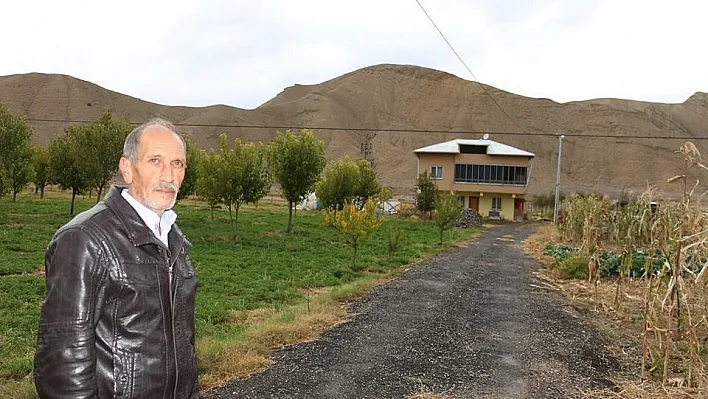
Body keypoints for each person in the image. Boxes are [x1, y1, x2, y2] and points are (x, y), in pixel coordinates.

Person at [34, 118, 199, 398]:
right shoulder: (85, 237)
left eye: (177, 164)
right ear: (127, 169)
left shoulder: (172, 237)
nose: (169, 176)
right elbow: (62, 362)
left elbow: (183, 344)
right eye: (155, 161)